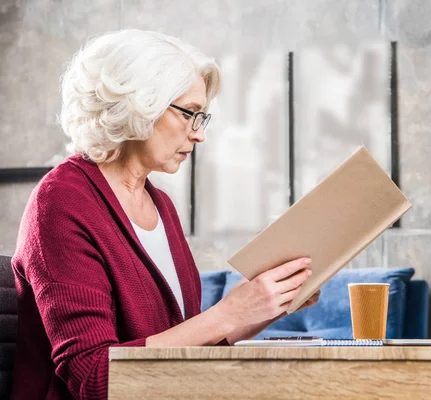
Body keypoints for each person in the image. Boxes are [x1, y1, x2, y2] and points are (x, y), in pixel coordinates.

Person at [10, 29, 320, 400]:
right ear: (139, 104)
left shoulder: (162, 206)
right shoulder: (61, 201)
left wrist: (265, 308)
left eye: (202, 118)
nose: (198, 135)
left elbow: (177, 350)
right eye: (189, 114)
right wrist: (226, 314)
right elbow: (93, 377)